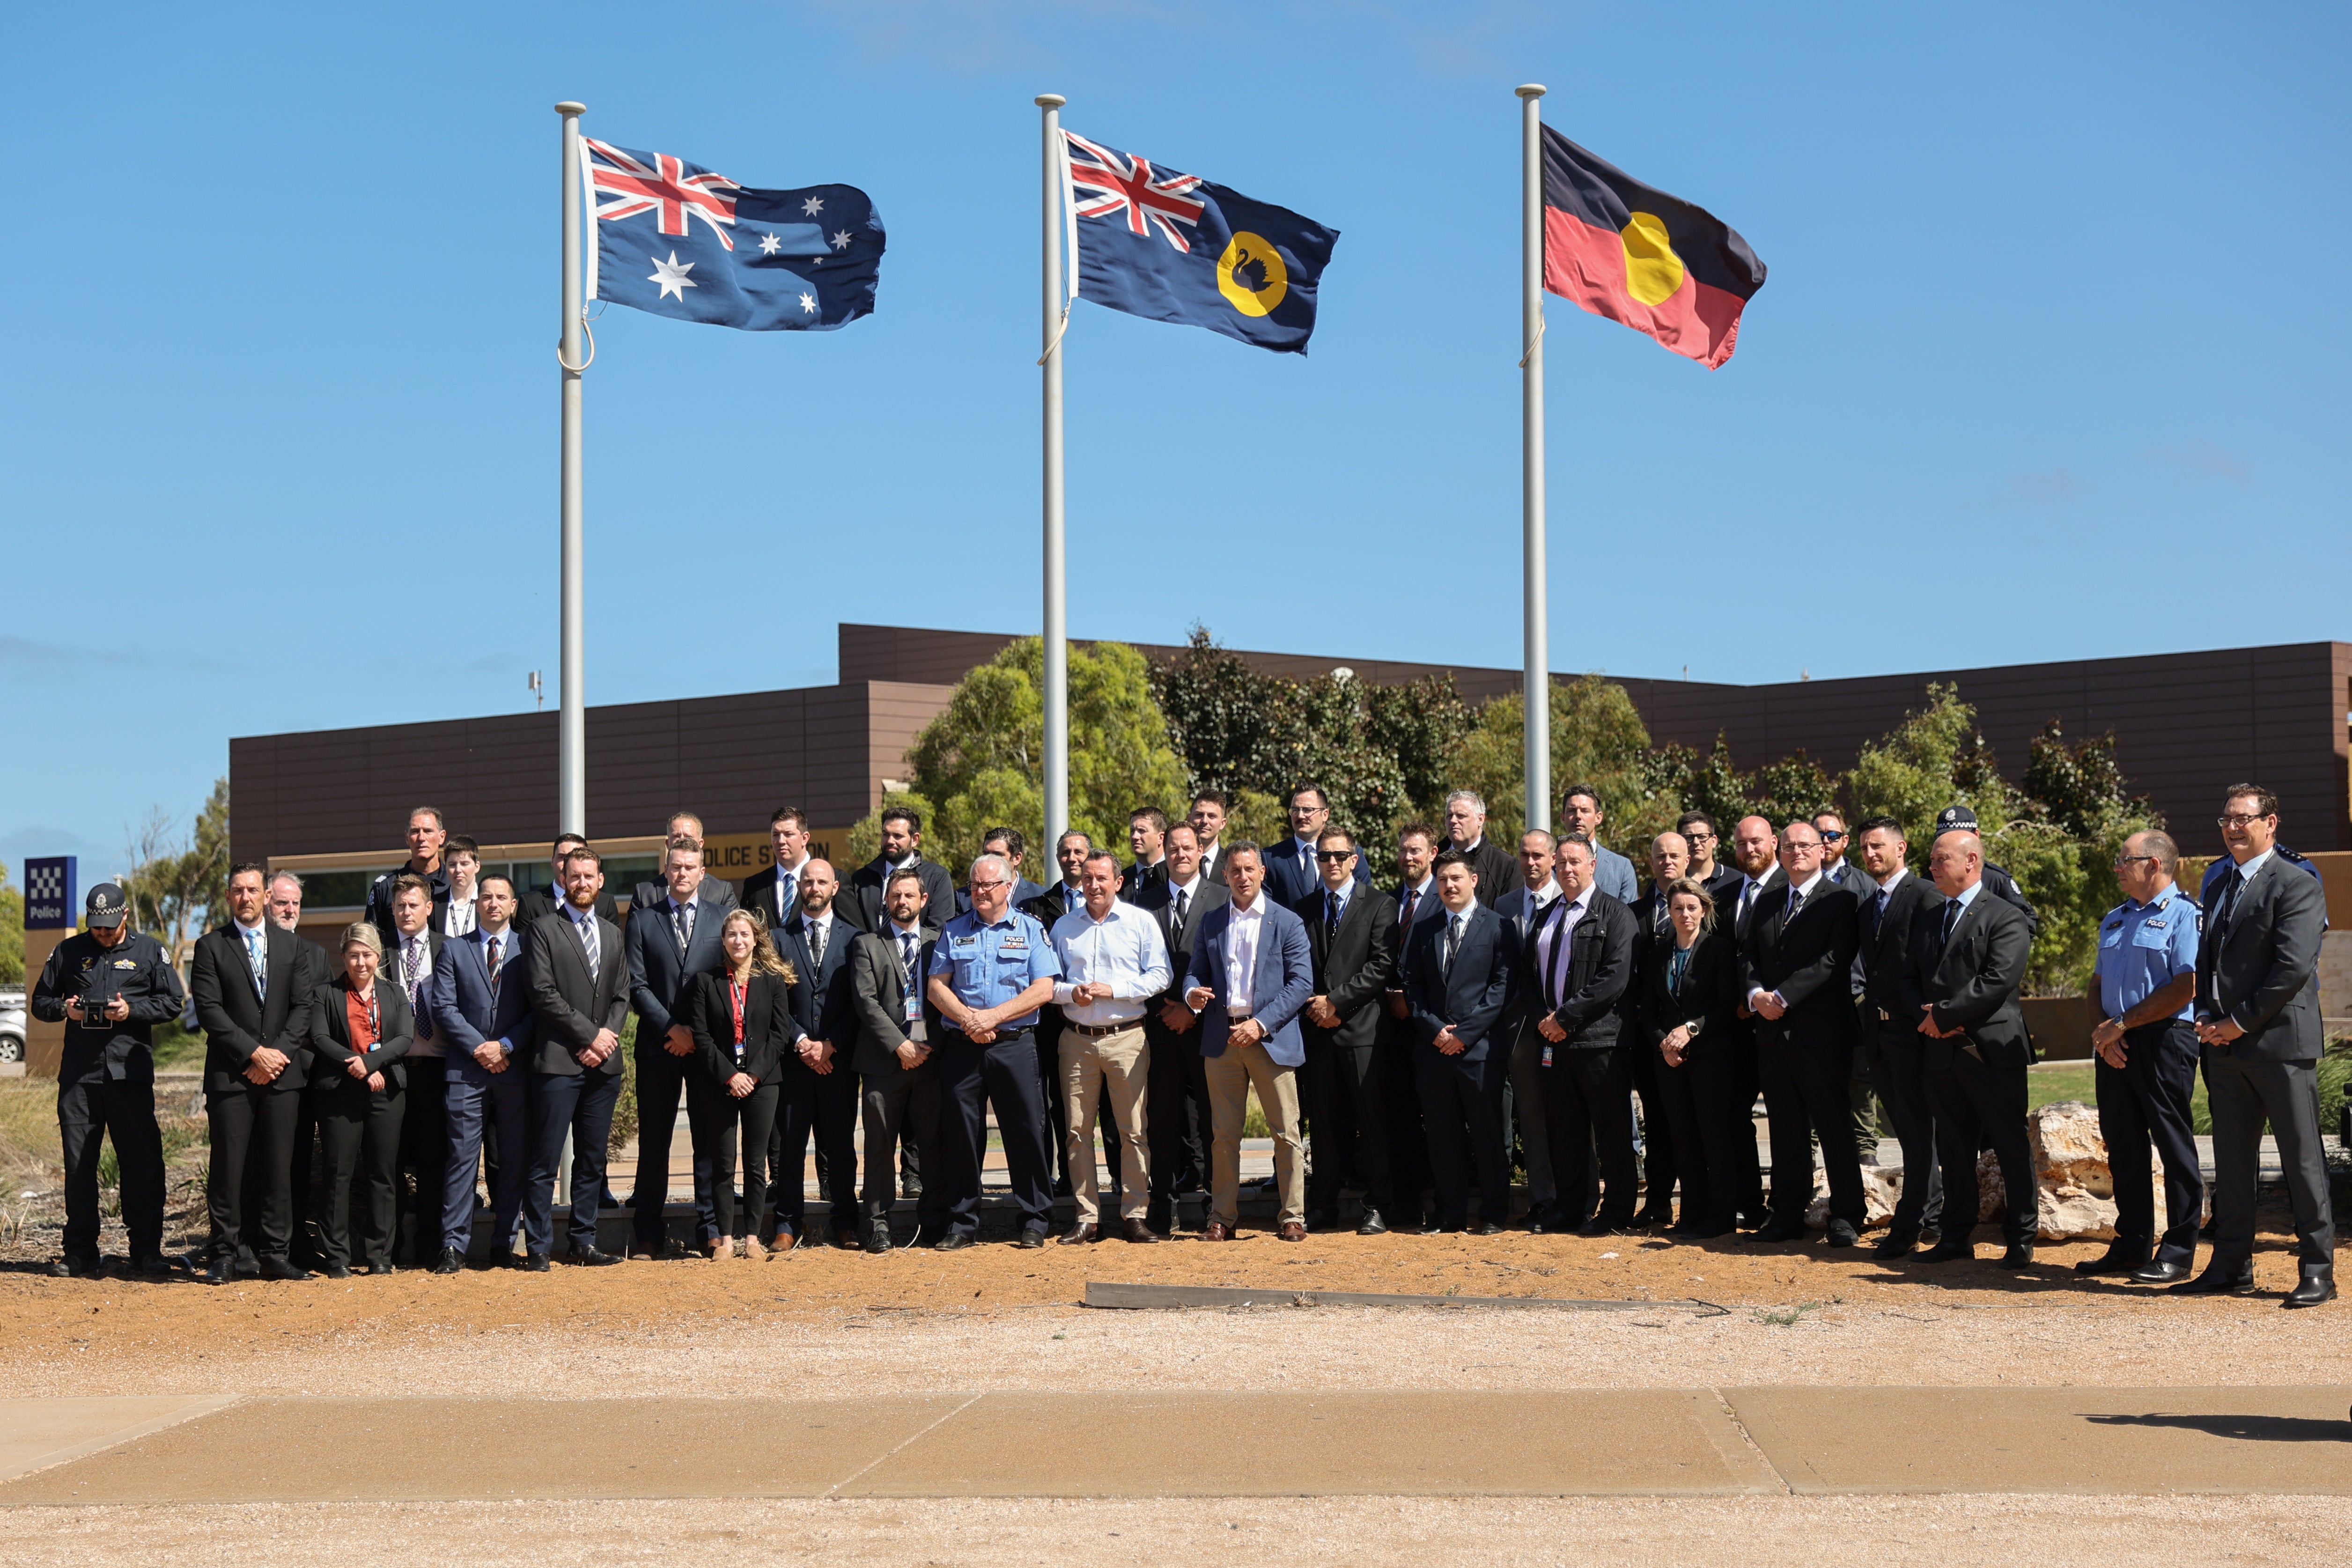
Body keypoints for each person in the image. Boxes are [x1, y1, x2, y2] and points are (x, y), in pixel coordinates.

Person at [2179, 786, 2335, 1306]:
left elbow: (2291, 967)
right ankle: (2230, 1265)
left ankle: (2317, 1269)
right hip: (2223, 1046)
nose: (2232, 827)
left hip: (2280, 1044)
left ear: (2271, 823)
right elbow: (2206, 958)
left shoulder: (2297, 881)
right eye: (2225, 819)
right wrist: (2205, 1014)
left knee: (2301, 1160)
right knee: (2231, 1162)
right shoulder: (2218, 880)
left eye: (2243, 819)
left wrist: (2238, 1023)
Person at [32, 880, 184, 1278]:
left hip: (128, 1077)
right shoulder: (68, 951)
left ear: (125, 916)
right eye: (96, 925)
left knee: (142, 1164)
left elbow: (173, 1002)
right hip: (80, 1078)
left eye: (109, 925)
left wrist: (131, 1010)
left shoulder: (150, 951)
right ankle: (80, 1252)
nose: (102, 932)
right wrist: (66, 1009)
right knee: (79, 1166)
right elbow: (40, 1002)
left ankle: (147, 1251)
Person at [2076, 831, 2204, 1285]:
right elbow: (2095, 984)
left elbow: (2184, 987)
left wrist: (2122, 1025)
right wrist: (2104, 1036)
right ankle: (2132, 1243)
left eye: (2124, 860)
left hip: (2164, 1040)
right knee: (2123, 1146)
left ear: (2153, 865)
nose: (2116, 867)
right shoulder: (2114, 919)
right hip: (2114, 1044)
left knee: (2173, 1147)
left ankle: (2178, 1250)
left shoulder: (2184, 915)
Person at [1905, 828, 2036, 1268]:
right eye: (1932, 860)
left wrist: (1944, 1015)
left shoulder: (2004, 915)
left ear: (1971, 861)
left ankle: (2020, 1236)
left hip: (1991, 1052)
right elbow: (1908, 976)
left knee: (2008, 1144)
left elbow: (1998, 979)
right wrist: (1927, 1017)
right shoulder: (1929, 917)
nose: (1932, 868)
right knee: (1954, 1148)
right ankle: (1955, 1235)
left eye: (1941, 859)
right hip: (1940, 1055)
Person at [190, 863, 317, 1284]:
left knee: (279, 1168)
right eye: (237, 890)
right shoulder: (211, 946)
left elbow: (303, 1008)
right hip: (232, 1075)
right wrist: (253, 1053)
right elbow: (209, 1011)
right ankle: (224, 1253)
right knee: (228, 1167)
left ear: (266, 896)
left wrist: (277, 1054)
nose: (246, 897)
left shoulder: (291, 946)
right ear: (228, 897)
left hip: (283, 1077)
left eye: (253, 890)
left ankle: (275, 1254)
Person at [1740, 820, 1865, 1246]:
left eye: (1805, 845)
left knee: (1832, 1125)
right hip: (1772, 1033)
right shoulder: (1769, 899)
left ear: (1822, 850)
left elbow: (1834, 959)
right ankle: (1786, 1214)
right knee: (1785, 1129)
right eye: (1789, 845)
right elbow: (1750, 954)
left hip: (1821, 1034)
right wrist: (1756, 993)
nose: (1796, 852)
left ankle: (1847, 1213)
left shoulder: (1842, 899)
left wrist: (1784, 996)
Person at [927, 853, 1061, 1249]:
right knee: (962, 1135)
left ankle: (1035, 1218)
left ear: (1008, 886)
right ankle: (962, 1223)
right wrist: (971, 1020)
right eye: (974, 885)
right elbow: (937, 986)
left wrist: (993, 1018)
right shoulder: (953, 930)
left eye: (988, 885)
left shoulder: (1031, 929)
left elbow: (1044, 988)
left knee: (1025, 1131)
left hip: (1014, 1046)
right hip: (963, 1047)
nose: (980, 892)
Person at [1182, 842, 1313, 1242]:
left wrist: (1260, 1024)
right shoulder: (1211, 922)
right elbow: (1194, 973)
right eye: (1234, 870)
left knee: (1286, 1132)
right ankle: (1222, 1217)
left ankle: (1292, 1216)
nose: (1242, 876)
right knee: (1223, 1137)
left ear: (1262, 872)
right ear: (1224, 875)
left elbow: (1301, 983)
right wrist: (1191, 994)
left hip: (1269, 1038)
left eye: (1248, 869)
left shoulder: (1286, 921)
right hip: (1222, 1041)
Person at [1047, 849, 1171, 1244]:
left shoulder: (1139, 922)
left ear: (1118, 882)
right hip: (1077, 1041)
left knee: (1133, 1131)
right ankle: (1087, 1216)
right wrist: (1071, 992)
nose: (1094, 885)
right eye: (1087, 878)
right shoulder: (1064, 926)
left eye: (1102, 878)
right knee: (1076, 1132)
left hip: (1127, 1038)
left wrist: (1114, 989)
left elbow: (1161, 976)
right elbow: (1046, 983)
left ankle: (1135, 1214)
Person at [623, 838, 732, 1259]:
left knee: (707, 1140)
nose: (682, 873)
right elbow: (636, 983)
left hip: (706, 1050)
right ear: (666, 871)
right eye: (676, 867)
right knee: (654, 1142)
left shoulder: (722, 918)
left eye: (690, 867)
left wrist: (697, 1035)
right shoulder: (643, 920)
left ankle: (710, 1228)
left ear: (703, 873)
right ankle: (648, 1232)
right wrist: (671, 1028)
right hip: (658, 1046)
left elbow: (726, 982)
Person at [1525, 836, 1639, 1233]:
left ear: (1593, 865)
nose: (1568, 869)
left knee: (1611, 1131)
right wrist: (1544, 1019)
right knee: (1565, 1131)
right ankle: (1570, 1207)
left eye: (1576, 862)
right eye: (1562, 863)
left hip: (1600, 1042)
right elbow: (1530, 977)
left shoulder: (1615, 914)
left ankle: (1617, 1212)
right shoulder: (1547, 914)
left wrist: (1565, 1017)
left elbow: (1614, 979)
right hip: (1554, 1043)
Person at [523, 846, 629, 1269]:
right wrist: (590, 1035)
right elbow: (542, 994)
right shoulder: (543, 929)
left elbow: (623, 994)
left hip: (603, 1066)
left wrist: (606, 1040)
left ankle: (583, 1241)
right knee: (545, 1158)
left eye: (589, 875)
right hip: (557, 1062)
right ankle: (537, 1246)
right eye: (574, 876)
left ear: (600, 880)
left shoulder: (612, 931)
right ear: (563, 880)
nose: (582, 882)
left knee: (592, 1158)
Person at [426, 873, 536, 1274]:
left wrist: (505, 1046)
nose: (493, 903)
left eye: (501, 897)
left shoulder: (529, 950)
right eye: (486, 897)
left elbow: (536, 1010)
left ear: (513, 905)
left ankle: (503, 1245)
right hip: (466, 1072)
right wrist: (481, 1047)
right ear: (477, 904)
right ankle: (453, 1246)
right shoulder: (455, 950)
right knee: (461, 1159)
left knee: (511, 1159)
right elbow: (444, 1007)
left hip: (513, 1071)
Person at [1404, 850, 1517, 1234]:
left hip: (1481, 1052)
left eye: (1456, 878)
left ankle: (1492, 1214)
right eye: (1442, 880)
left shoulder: (1499, 927)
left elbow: (1501, 989)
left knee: (1488, 1137)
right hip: (1434, 1052)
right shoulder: (1425, 929)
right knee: (1442, 1138)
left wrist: (1465, 1034)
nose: (1449, 885)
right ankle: (1448, 1214)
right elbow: (1413, 989)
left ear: (1474, 880)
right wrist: (1435, 1030)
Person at [1296, 827, 1398, 1235]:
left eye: (1340, 855)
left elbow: (1379, 967)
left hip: (1362, 1031)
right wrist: (1318, 1007)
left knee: (1371, 1123)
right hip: (1317, 1032)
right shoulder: (1302, 908)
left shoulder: (1380, 904)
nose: (1332, 862)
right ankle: (1323, 1206)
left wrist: (1336, 1002)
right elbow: (1296, 964)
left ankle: (1378, 1206)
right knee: (1322, 1126)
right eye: (1324, 856)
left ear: (1354, 860)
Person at [1852, 817, 1946, 1258]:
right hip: (1880, 1034)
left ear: (1901, 848)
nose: (1870, 854)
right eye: (1865, 848)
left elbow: (1934, 965)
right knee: (1908, 1133)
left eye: (1877, 846)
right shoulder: (1870, 904)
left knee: (1918, 1131)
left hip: (1913, 1033)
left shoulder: (1925, 896)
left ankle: (1914, 1223)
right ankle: (1928, 1216)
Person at [1134, 822, 1226, 1234]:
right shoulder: (1142, 902)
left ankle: (1216, 1208)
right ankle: (1161, 1208)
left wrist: (1193, 1011)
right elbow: (1132, 964)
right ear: (1164, 850)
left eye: (1188, 847)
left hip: (1207, 1028)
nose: (1180, 854)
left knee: (1212, 1122)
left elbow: (1231, 969)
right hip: (1159, 1028)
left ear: (1201, 849)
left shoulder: (1222, 898)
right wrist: (1166, 1010)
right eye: (1173, 847)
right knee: (1163, 1122)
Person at [849, 868, 948, 1251]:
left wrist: (926, 1046)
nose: (902, 902)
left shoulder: (939, 942)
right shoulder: (867, 944)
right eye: (896, 896)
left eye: (909, 895)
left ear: (923, 900)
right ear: (886, 901)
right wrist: (900, 1045)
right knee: (878, 1148)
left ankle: (935, 1224)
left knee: (932, 1146)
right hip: (882, 1063)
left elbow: (950, 1001)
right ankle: (876, 1225)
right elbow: (865, 1001)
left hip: (930, 1061)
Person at [688, 909, 795, 1259]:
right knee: (722, 1163)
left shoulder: (772, 980)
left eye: (745, 935)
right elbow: (702, 1037)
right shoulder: (706, 981)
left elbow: (780, 1035)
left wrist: (753, 1075)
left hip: (763, 1083)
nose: (738, 940)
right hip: (719, 1082)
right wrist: (730, 1075)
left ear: (755, 939)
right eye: (732, 935)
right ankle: (726, 1239)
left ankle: (751, 1238)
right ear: (723, 940)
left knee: (755, 1163)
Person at [307, 923, 412, 1278]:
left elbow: (404, 1038)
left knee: (383, 1174)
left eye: (367, 954)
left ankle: (380, 1254)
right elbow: (320, 1037)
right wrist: (360, 1067)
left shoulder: (394, 992)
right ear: (343, 956)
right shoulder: (326, 994)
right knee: (338, 1173)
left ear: (378, 956)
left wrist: (371, 1063)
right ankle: (336, 1256)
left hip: (386, 1092)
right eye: (353, 955)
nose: (361, 962)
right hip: (340, 1093)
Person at [1639, 879, 1742, 1237]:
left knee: (1713, 1135)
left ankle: (1721, 1215)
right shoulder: (1657, 954)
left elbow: (1726, 1006)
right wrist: (1663, 1044)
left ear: (1704, 910)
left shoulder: (1719, 950)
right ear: (1668, 912)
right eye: (1678, 907)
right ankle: (1692, 1213)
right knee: (1682, 1137)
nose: (1685, 914)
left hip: (1711, 1056)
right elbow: (1647, 1010)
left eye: (1692, 907)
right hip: (1670, 1060)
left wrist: (1691, 1029)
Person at [775, 859, 863, 1250]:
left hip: (838, 1063)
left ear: (835, 888)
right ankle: (786, 1224)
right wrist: (801, 1042)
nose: (813, 887)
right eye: (807, 881)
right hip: (793, 1064)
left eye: (820, 882)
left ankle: (845, 1221)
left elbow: (861, 1003)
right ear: (799, 888)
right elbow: (775, 1002)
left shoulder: (856, 939)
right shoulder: (779, 939)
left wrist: (829, 1045)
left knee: (841, 1146)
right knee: (790, 1148)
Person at [1495, 830, 1563, 1229]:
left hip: (1561, 1025)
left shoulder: (1567, 900)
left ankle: (1578, 1197)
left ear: (1553, 858)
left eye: (1539, 855)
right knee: (1532, 1119)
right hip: (1517, 1029)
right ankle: (1542, 1200)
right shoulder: (1504, 905)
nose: (1531, 862)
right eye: (1524, 855)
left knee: (1570, 1118)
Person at [1622, 832, 1691, 1229]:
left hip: (1693, 1037)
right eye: (1659, 856)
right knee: (1658, 1121)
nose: (1667, 861)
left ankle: (1702, 1200)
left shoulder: (1699, 910)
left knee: (1691, 1123)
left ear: (1687, 860)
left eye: (1674, 855)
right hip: (1648, 1035)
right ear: (1650, 863)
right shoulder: (1631, 914)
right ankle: (1659, 1201)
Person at [265, 870, 332, 1270]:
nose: (289, 910)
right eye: (282, 902)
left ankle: (294, 1242)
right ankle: (249, 1241)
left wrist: (285, 1053)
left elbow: (318, 1015)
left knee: (297, 1163)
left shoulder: (316, 954)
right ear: (266, 901)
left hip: (300, 1074)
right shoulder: (247, 948)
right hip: (252, 1072)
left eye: (295, 904)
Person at [1381, 822, 1446, 1230]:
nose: (1409, 857)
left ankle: (1444, 1203)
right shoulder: (1388, 903)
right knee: (1400, 1120)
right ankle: (1405, 1206)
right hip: (1391, 1030)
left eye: (1416, 850)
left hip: (1435, 1028)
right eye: (1404, 850)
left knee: (1440, 1123)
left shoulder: (1446, 899)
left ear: (1432, 853)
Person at [1719, 817, 1784, 1228]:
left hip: (1782, 1024)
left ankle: (1786, 1203)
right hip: (1736, 1028)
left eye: (1756, 842)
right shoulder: (1725, 894)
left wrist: (1765, 999)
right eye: (1741, 844)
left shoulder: (1790, 889)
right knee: (1735, 1117)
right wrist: (1742, 999)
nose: (1749, 850)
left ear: (1773, 843)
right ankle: (1750, 1203)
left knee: (1786, 1120)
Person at [1024, 832, 1095, 1200]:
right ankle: (1063, 1179)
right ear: (1056, 857)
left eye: (1078, 851)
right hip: (1051, 1021)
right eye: (1065, 852)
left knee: (1106, 1109)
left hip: (1099, 1016)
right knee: (1056, 1103)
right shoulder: (1038, 905)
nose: (1072, 858)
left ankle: (1112, 1179)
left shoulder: (1111, 902)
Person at [383, 875, 448, 1266]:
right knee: (389, 1164)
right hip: (392, 1070)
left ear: (429, 908)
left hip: (438, 1071)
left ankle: (431, 1247)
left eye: (413, 905)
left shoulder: (450, 949)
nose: (406, 912)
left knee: (434, 1164)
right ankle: (387, 1252)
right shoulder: (381, 950)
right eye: (400, 906)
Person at [1929, 805, 2040, 939]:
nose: (1952, 841)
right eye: (1944, 836)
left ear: (1976, 835)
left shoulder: (1996, 879)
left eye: (1961, 836)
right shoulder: (1929, 881)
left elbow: (2026, 923)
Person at [844, 806, 956, 933]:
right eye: (886, 834)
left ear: (915, 840)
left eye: (898, 836)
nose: (890, 841)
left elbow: (938, 930)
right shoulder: (862, 879)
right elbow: (853, 927)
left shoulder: (936, 877)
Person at [1266, 785, 1368, 905]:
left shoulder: (1349, 855)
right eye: (1295, 810)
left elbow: (1364, 904)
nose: (1300, 816)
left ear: (1325, 814)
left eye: (1307, 810)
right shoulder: (1270, 859)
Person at [366, 807, 451, 946]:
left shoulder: (455, 885)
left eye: (428, 831)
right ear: (407, 838)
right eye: (415, 832)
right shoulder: (386, 886)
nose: (421, 838)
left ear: (442, 837)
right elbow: (370, 942)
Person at [632, 813, 739, 913]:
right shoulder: (645, 893)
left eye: (689, 837)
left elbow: (734, 929)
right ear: (667, 843)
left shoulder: (721, 892)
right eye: (676, 836)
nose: (682, 841)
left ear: (701, 844)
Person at [1437, 791, 1517, 911]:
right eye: (1449, 816)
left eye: (1461, 816)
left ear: (1480, 819)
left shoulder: (1505, 865)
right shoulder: (1432, 859)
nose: (1453, 821)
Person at [516, 833, 620, 926]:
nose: (568, 863)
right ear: (552, 861)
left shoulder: (606, 903)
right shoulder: (530, 903)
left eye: (575, 857)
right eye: (562, 857)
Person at [1559, 784, 1639, 903]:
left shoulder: (1622, 868)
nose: (1578, 816)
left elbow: (1628, 916)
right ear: (1563, 817)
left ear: (1598, 817)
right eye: (1572, 811)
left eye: (1585, 811)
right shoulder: (1549, 865)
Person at [741, 806, 815, 932]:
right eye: (776, 835)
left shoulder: (830, 880)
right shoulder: (755, 886)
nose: (781, 841)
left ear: (805, 838)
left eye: (788, 834)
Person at [961, 827, 1048, 913]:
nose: (990, 860)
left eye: (998, 855)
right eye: (986, 854)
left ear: (1017, 858)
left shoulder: (1040, 897)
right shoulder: (963, 897)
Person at [1680, 812, 1742, 903]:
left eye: (1702, 837)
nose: (1696, 842)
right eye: (1689, 837)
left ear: (1714, 841)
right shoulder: (1673, 880)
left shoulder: (1736, 880)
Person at [1122, 808, 1170, 900]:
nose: (1135, 837)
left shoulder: (1175, 875)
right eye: (1132, 831)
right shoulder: (1121, 879)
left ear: (1161, 838)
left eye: (1142, 831)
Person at [440, 836, 482, 938]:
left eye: (464, 864)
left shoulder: (487, 902)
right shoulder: (436, 905)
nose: (458, 870)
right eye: (452, 865)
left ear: (477, 867)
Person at [1189, 792, 1233, 885]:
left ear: (1223, 823)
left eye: (1212, 816)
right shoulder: (1169, 867)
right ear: (1189, 818)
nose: (1205, 821)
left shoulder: (1232, 864)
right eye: (1199, 815)